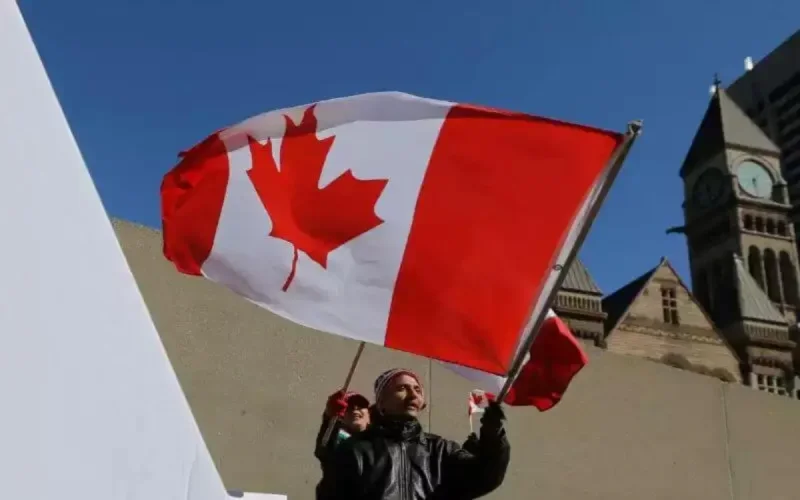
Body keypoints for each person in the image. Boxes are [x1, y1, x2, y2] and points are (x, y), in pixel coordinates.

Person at [318, 368, 510, 499]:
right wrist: (330, 418)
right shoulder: (356, 449)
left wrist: (493, 434)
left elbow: (485, 476)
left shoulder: (441, 450)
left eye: (417, 389)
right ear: (381, 402)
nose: (412, 394)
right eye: (402, 388)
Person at [314, 390, 372, 467]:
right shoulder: (339, 438)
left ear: (369, 416)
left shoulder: (380, 441)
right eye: (349, 405)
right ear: (342, 417)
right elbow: (323, 449)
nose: (355, 408)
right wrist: (328, 417)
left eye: (361, 404)